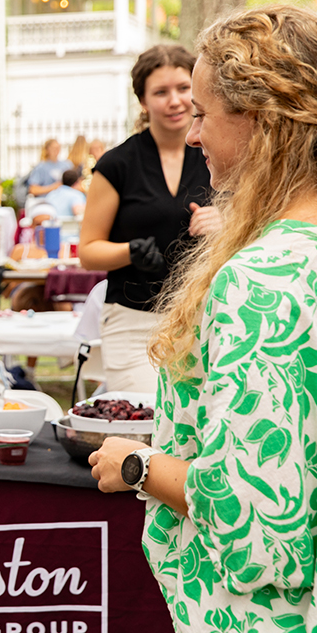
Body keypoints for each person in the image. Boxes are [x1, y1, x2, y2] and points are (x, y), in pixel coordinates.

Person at [90, 5, 317, 633]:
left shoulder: (261, 280)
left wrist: (138, 464)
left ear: (262, 119)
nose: (193, 131)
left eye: (204, 112)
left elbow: (260, 523)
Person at [78, 44, 219, 391]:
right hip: (134, 321)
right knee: (148, 424)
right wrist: (129, 251)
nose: (175, 100)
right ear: (143, 101)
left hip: (207, 317)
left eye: (183, 89)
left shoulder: (221, 155)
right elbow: (87, 251)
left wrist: (226, 221)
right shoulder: (117, 164)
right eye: (161, 92)